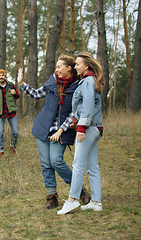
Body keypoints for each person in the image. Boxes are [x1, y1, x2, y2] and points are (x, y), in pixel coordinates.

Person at [17, 55, 91, 209]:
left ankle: (79, 191)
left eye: (59, 67)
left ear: (69, 68)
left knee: (56, 160)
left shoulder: (77, 86)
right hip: (43, 128)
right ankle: (52, 198)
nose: (56, 70)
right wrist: (21, 83)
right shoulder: (52, 82)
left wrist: (60, 130)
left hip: (62, 131)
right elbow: (36, 94)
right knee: (46, 164)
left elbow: (74, 112)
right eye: (56, 67)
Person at [57, 52, 104, 215]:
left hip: (89, 128)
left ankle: (72, 200)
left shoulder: (88, 82)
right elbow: (84, 107)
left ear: (87, 66)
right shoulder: (86, 81)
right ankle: (96, 202)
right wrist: (76, 119)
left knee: (77, 164)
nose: (75, 67)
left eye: (77, 64)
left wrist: (82, 127)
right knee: (92, 166)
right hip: (94, 127)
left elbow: (89, 106)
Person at [0, 69, 20, 158]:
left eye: (3, 75)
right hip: (0, 114)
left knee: (16, 132)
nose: (1, 77)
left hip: (11, 113)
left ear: (5, 76)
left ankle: (12, 147)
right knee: (0, 133)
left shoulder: (11, 85)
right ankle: (1, 151)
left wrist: (15, 93)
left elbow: (18, 96)